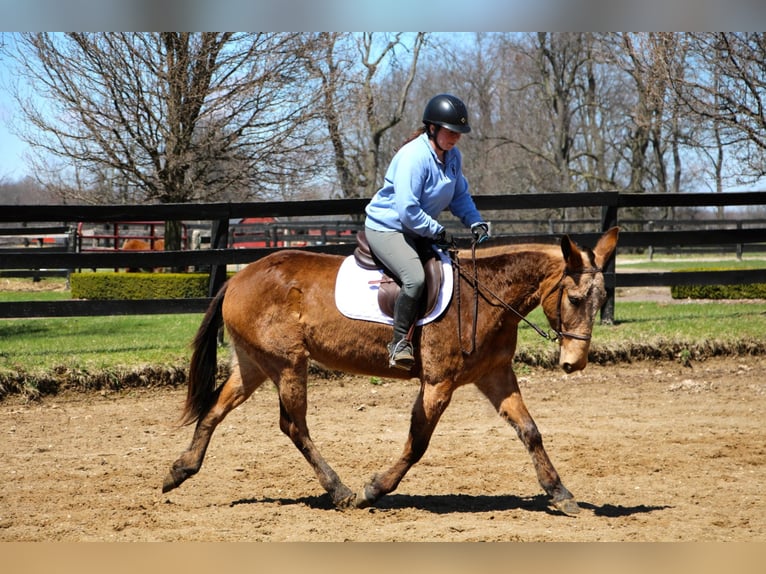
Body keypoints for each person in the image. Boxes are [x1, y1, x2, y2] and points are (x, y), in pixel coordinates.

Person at [364, 93, 490, 371]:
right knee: (415, 279)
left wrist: (475, 221)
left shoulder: (453, 156)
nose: (455, 137)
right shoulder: (413, 157)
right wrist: (437, 231)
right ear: (432, 128)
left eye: (459, 132)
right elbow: (408, 210)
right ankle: (399, 345)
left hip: (417, 229)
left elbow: (459, 197)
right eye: (450, 131)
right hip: (388, 227)